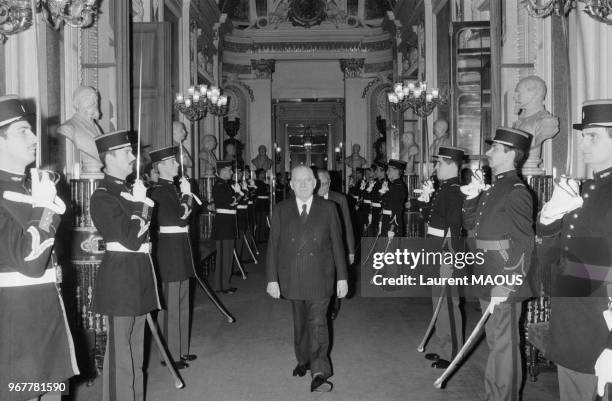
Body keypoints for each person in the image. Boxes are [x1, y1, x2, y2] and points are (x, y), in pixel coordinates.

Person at [0, 96, 79, 401]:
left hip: (46, 317)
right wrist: (46, 208)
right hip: (16, 324)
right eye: (23, 131)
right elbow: (29, 261)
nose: (35, 138)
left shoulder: (28, 188)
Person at [538, 99, 612, 401]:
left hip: (598, 329)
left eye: (592, 135)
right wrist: (548, 220)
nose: (582, 143)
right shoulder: (585, 190)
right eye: (582, 135)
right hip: (573, 323)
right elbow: (557, 257)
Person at [461, 127, 534, 401]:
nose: (488, 153)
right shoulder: (494, 189)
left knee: (504, 345)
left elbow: (524, 242)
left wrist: (506, 282)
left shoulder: (516, 190)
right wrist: (471, 197)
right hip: (486, 272)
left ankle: (503, 397)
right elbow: (470, 225)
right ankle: (494, 394)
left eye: (494, 149)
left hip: (503, 276)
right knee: (495, 341)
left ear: (511, 154)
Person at [91, 131, 161, 401]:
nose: (133, 157)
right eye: (127, 153)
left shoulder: (128, 190)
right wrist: (141, 203)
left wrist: (138, 198)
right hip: (119, 281)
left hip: (140, 277)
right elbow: (132, 239)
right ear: (109, 158)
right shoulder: (102, 196)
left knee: (136, 353)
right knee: (120, 357)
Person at [266, 165, 348, 393]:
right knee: (300, 323)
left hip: (321, 276)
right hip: (292, 277)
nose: (303, 184)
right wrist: (272, 279)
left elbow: (337, 245)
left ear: (315, 183)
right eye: (298, 180)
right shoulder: (281, 209)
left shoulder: (329, 208)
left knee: (318, 321)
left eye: (307, 180)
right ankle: (303, 359)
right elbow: (273, 246)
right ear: (290, 185)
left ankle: (320, 370)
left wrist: (342, 277)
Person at [415, 146, 465, 369]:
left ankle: (454, 352)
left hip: (447, 253)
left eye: (439, 164)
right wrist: (424, 202)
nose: (436, 167)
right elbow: (433, 220)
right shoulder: (444, 188)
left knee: (449, 305)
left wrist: (452, 257)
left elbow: (456, 227)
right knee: (439, 303)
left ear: (452, 164)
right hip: (436, 250)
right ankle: (444, 346)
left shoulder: (454, 190)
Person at [149, 146, 197, 369]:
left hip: (181, 250)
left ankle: (181, 350)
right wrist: (187, 195)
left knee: (182, 302)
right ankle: (168, 354)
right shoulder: (159, 191)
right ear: (160, 167)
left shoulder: (172, 189)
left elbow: (189, 216)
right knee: (170, 305)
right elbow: (180, 219)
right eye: (172, 162)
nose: (178, 165)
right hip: (169, 253)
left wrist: (186, 194)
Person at [317, 168, 355, 320]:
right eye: (319, 184)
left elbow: (347, 225)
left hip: (335, 247)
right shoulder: (310, 198)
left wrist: (351, 251)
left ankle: (333, 307)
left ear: (330, 183)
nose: (322, 187)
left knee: (334, 277)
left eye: (325, 184)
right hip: (317, 248)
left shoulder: (339, 199)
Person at [512, 76, 559, 175]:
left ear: (533, 94)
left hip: (531, 169)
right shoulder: (519, 122)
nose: (514, 97)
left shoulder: (546, 121)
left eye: (518, 93)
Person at [56, 85, 104, 177]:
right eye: (88, 100)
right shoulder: (68, 129)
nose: (93, 103)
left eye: (95, 100)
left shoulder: (97, 127)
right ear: (77, 105)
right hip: (82, 177)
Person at [211, 160, 238, 294]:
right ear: (221, 171)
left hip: (228, 222)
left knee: (227, 256)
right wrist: (239, 193)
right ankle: (220, 285)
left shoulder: (225, 185)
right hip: (222, 224)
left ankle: (225, 283)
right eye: (229, 170)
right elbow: (231, 202)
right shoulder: (219, 185)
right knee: (223, 257)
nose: (231, 172)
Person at [367, 161, 387, 236]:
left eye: (377, 170)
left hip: (379, 212)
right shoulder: (376, 182)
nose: (375, 172)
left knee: (378, 233)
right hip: (374, 211)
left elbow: (383, 200)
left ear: (382, 172)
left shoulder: (385, 183)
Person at [254, 168, 270, 242]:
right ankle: (259, 238)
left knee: (263, 222)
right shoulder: (257, 183)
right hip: (260, 204)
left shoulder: (263, 183)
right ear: (259, 174)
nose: (264, 175)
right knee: (260, 222)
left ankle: (261, 237)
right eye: (263, 173)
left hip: (264, 203)